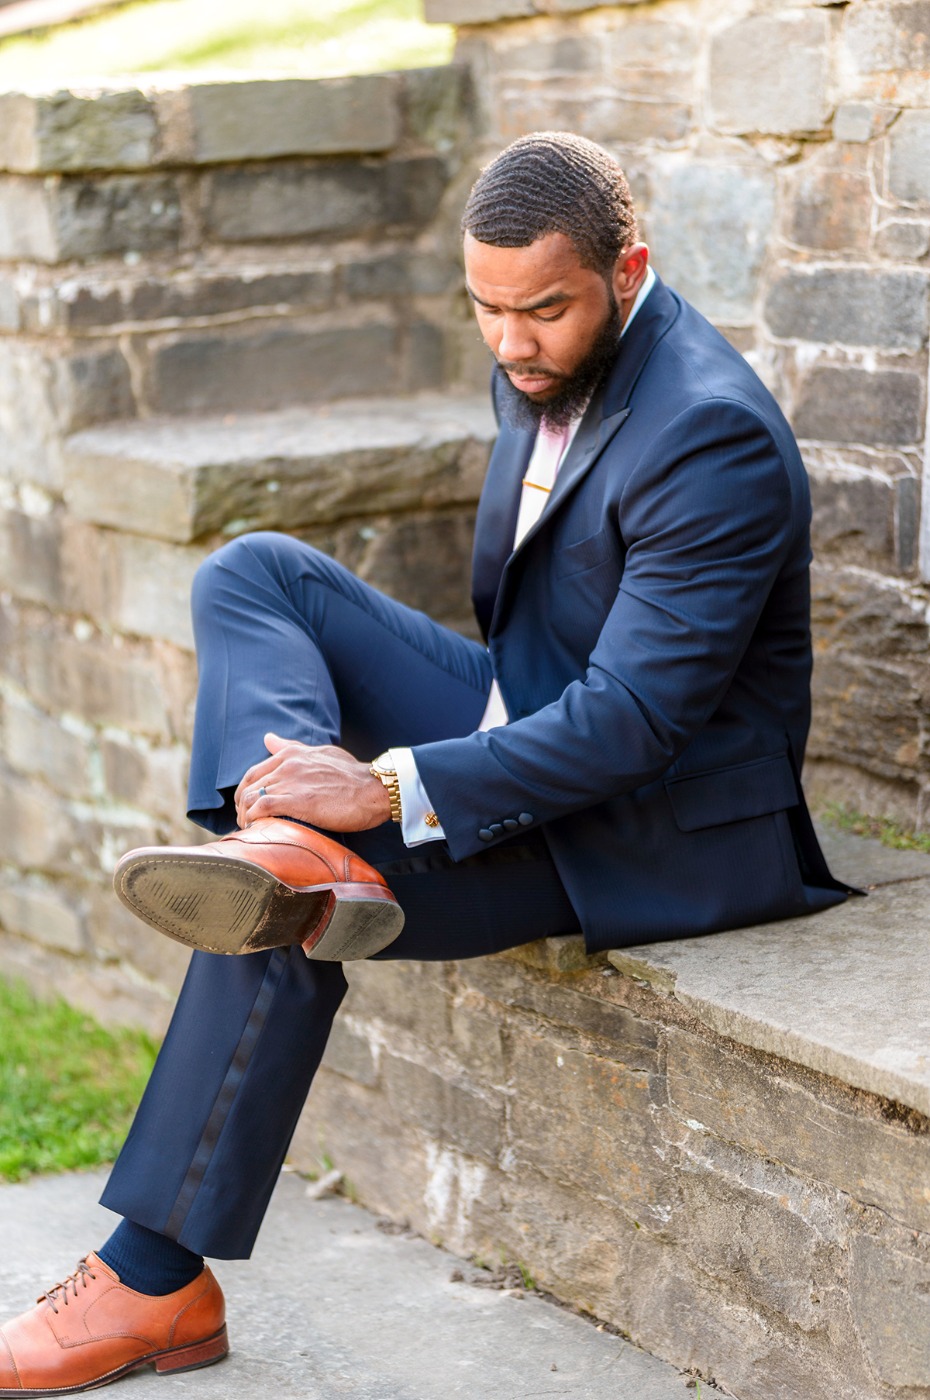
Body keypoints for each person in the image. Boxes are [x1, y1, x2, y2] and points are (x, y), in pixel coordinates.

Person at [0, 131, 851, 1395]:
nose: (510, 344)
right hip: (521, 718)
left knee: (297, 906)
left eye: (543, 310)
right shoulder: (550, 346)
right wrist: (340, 781)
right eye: (486, 308)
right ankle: (272, 828)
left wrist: (390, 784)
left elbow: (632, 723)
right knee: (254, 571)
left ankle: (151, 1281)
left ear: (632, 270)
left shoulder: (708, 436)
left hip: (648, 821)